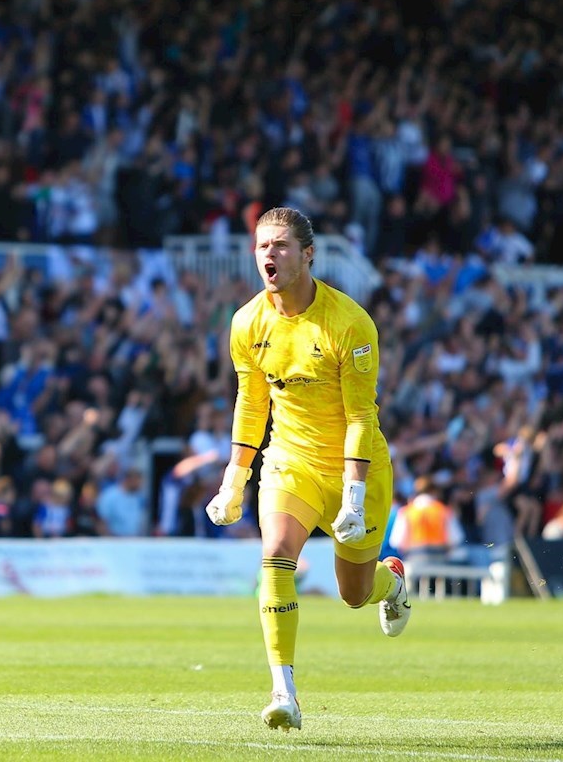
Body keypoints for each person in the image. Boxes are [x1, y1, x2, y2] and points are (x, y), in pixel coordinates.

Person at [206, 206, 411, 732]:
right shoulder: (247, 322)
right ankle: (283, 691)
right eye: (261, 247)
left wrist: (354, 492)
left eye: (279, 246)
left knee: (353, 594)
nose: (268, 256)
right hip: (289, 461)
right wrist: (235, 478)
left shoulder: (350, 323)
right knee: (275, 555)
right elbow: (251, 404)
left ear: (307, 254)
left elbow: (363, 415)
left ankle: (392, 582)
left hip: (353, 466)